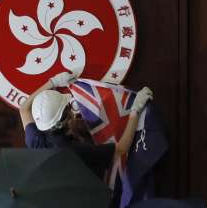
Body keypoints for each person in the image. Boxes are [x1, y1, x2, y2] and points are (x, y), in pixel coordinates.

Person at [19, 72, 153, 181]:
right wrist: (135, 110)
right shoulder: (74, 152)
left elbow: (24, 109)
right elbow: (121, 149)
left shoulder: (35, 141)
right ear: (67, 119)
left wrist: (53, 82)